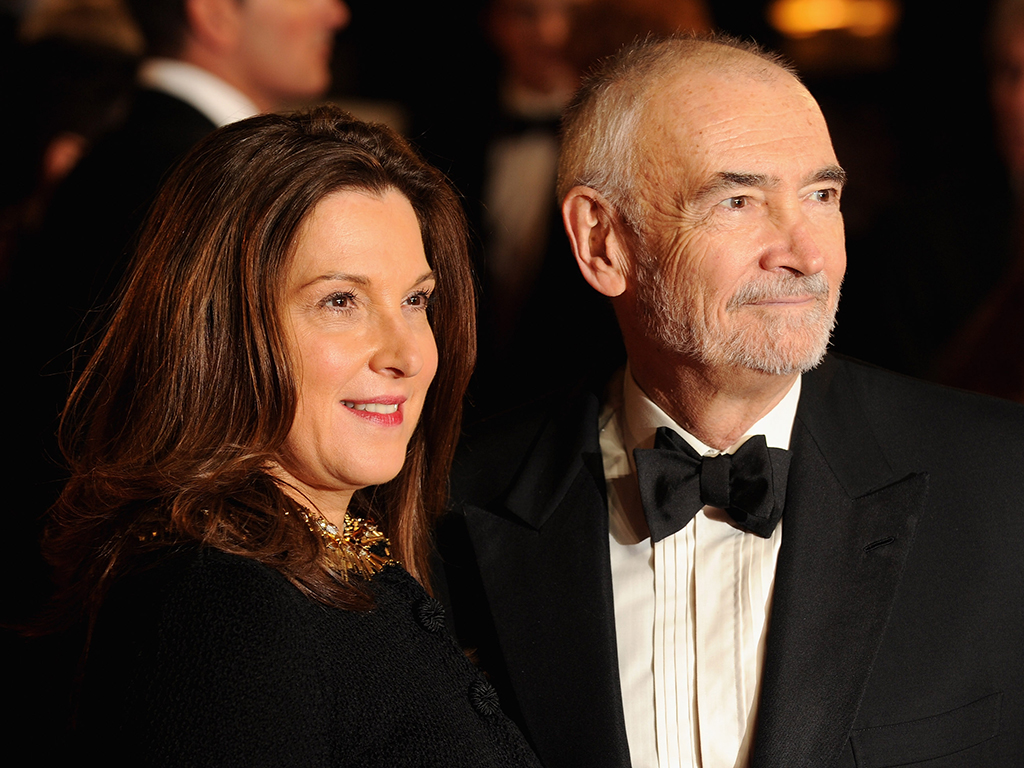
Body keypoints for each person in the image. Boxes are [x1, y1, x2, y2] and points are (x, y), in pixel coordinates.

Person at [437, 34, 1024, 768]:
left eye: (821, 196)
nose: (805, 254)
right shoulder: (454, 506)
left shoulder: (1003, 484)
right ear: (603, 241)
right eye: (739, 200)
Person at [39, 105, 541, 767]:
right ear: (220, 328)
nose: (407, 354)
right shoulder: (226, 609)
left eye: (415, 301)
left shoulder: (314, 560)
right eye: (341, 301)